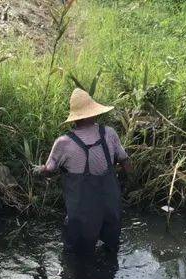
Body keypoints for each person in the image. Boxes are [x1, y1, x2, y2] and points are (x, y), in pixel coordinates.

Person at [33, 88, 131, 255]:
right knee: (110, 254)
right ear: (94, 113)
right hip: (110, 209)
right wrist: (126, 184)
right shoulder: (109, 133)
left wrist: (38, 170)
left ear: (74, 119)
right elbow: (125, 161)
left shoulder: (63, 143)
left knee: (77, 258)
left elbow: (49, 169)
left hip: (82, 216)